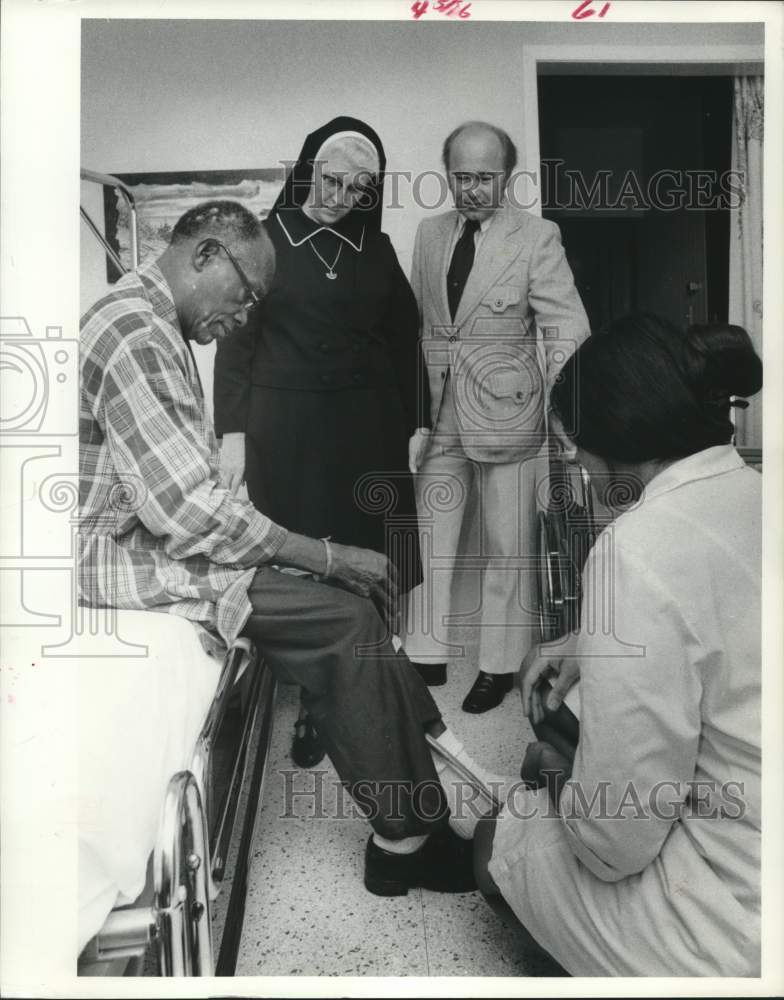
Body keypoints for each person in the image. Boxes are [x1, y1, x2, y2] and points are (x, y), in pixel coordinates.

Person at [79, 199, 499, 898]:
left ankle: (428, 793)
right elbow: (186, 511)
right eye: (245, 295)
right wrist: (323, 556)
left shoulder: (149, 321)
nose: (246, 316)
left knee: (353, 603)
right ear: (206, 254)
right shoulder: (135, 333)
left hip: (156, 538)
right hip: (121, 558)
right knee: (346, 621)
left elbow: (190, 494)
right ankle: (403, 840)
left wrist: (312, 557)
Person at [472, 314, 762, 976]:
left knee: (495, 838)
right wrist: (588, 638)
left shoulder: (634, 547)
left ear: (610, 440)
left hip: (737, 923)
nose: (575, 463)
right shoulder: (755, 492)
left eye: (574, 448)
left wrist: (554, 780)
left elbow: (616, 846)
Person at [213, 117, 430, 768]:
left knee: (372, 553)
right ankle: (315, 701)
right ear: (308, 168)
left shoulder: (376, 247)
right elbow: (235, 342)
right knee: (309, 560)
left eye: (359, 187)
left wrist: (417, 423)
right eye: (332, 180)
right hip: (290, 431)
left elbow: (404, 339)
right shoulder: (263, 241)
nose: (341, 197)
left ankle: (373, 684)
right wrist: (233, 434)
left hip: (371, 428)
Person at [403, 120, 590, 714]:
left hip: (511, 415)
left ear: (507, 176)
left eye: (484, 177)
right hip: (440, 414)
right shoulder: (430, 234)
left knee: (509, 547)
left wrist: (559, 409)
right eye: (461, 176)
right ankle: (425, 654)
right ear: (447, 174)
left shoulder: (537, 236)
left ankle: (498, 666)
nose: (472, 189)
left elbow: (567, 328)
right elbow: (419, 325)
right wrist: (413, 414)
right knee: (429, 538)